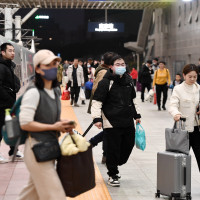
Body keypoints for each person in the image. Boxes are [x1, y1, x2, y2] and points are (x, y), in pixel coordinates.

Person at [17, 49, 75, 200]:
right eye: (48, 65)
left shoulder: (55, 90)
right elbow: (25, 123)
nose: (53, 68)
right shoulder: (34, 92)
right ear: (37, 68)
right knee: (56, 195)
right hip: (36, 149)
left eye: (55, 64)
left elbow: (51, 118)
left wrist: (64, 123)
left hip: (49, 147)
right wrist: (54, 127)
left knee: (31, 194)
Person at [91, 55, 141, 187]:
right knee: (112, 149)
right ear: (111, 67)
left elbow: (133, 99)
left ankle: (115, 163)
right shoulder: (105, 82)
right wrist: (96, 118)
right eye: (117, 64)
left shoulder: (129, 80)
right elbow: (97, 101)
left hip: (127, 120)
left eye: (122, 64)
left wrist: (137, 115)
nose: (121, 67)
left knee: (128, 145)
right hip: (111, 120)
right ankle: (113, 174)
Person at [168, 64, 200, 172]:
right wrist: (176, 113)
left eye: (195, 77)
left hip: (197, 129)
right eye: (190, 76)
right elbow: (172, 104)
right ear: (184, 75)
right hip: (183, 130)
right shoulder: (178, 89)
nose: (192, 79)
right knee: (181, 161)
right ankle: (180, 185)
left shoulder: (199, 88)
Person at [88, 52, 117, 164]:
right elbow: (98, 91)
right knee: (108, 131)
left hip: (106, 106)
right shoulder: (104, 73)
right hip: (105, 107)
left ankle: (99, 149)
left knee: (108, 131)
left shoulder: (103, 70)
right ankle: (101, 151)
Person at [0, 43, 23, 163]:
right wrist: (8, 99)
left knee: (12, 127)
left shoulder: (8, 65)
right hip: (2, 105)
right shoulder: (1, 67)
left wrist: (16, 86)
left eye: (13, 51)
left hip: (9, 104)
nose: (13, 53)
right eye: (10, 51)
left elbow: (13, 81)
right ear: (2, 52)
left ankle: (14, 151)